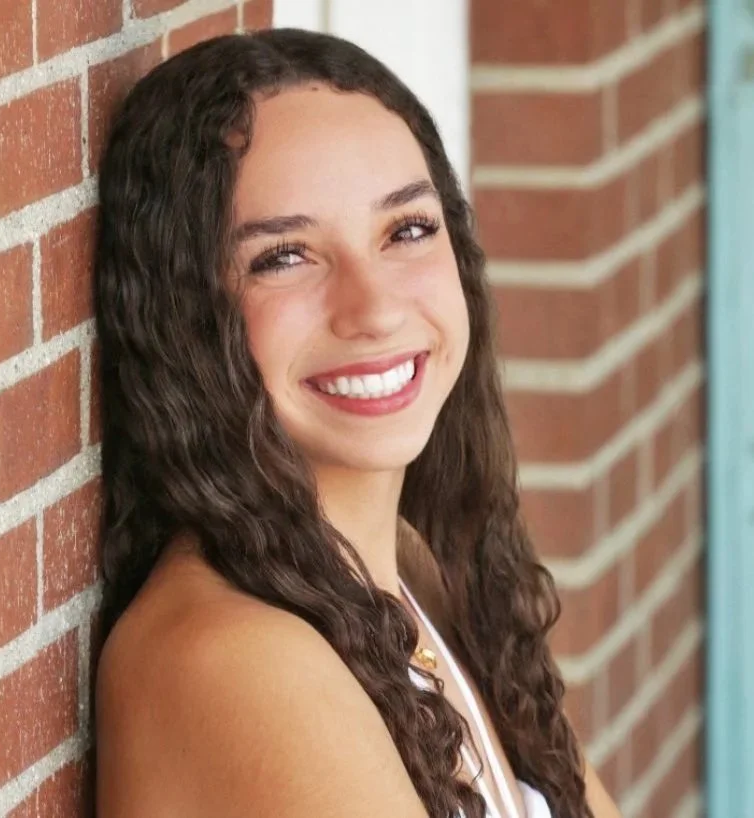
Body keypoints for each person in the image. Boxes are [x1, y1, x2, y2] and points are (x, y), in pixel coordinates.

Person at [92, 27, 622, 818]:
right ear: (186, 316)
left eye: (406, 230)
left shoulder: (411, 576)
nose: (373, 309)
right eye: (284, 257)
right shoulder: (235, 658)